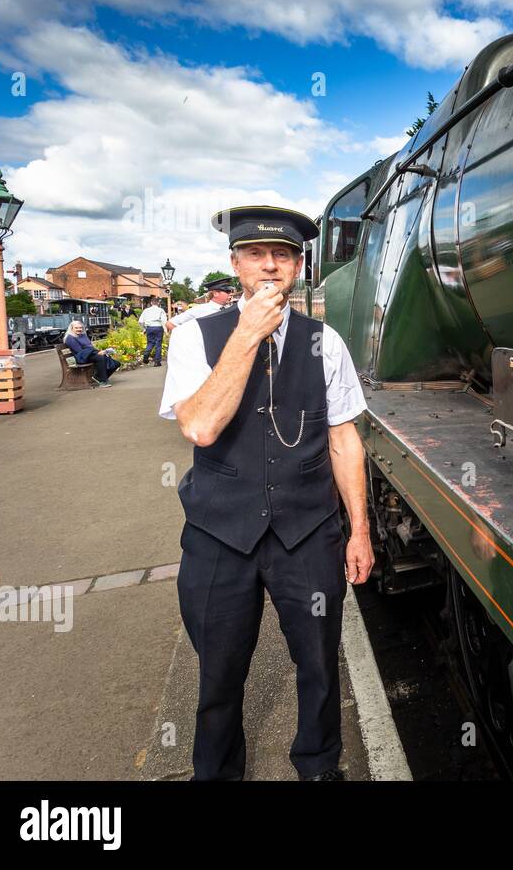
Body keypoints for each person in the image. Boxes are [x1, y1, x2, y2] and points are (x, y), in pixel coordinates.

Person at [159, 205, 371, 782]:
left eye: (283, 255)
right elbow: (200, 426)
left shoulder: (325, 342)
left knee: (320, 666)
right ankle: (218, 772)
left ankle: (319, 766)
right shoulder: (193, 337)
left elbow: (344, 438)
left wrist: (359, 530)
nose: (270, 265)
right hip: (220, 534)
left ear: (299, 266)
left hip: (307, 532)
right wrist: (248, 333)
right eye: (256, 254)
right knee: (220, 673)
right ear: (236, 264)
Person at [166, 276, 235, 333]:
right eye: (227, 291)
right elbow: (170, 324)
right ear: (215, 293)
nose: (230, 294)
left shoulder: (228, 309)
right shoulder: (200, 309)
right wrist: (189, 340)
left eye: (231, 291)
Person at [63, 320, 120, 387]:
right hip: (81, 357)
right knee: (100, 357)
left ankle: (98, 377)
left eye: (81, 327)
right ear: (72, 328)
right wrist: (97, 353)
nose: (79, 329)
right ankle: (103, 381)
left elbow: (90, 348)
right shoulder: (70, 338)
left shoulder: (83, 335)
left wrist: (100, 352)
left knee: (116, 363)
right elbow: (80, 352)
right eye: (76, 328)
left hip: (90, 355)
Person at [138, 298, 167, 366]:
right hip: (158, 327)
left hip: (149, 328)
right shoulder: (161, 310)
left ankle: (146, 355)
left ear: (151, 303)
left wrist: (144, 329)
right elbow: (164, 321)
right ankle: (157, 362)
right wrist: (166, 331)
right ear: (158, 303)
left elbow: (140, 321)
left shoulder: (146, 310)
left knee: (150, 343)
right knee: (158, 345)